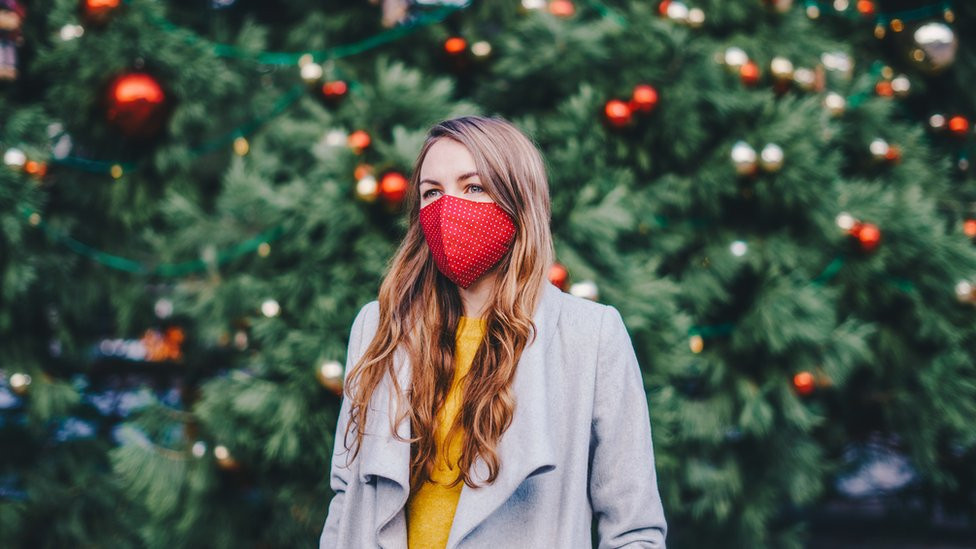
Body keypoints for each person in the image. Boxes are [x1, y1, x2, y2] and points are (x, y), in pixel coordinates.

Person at [319, 115, 667, 548]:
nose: (449, 207)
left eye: (474, 187)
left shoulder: (591, 336)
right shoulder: (379, 326)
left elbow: (634, 529)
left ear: (517, 200)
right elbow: (345, 496)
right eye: (432, 192)